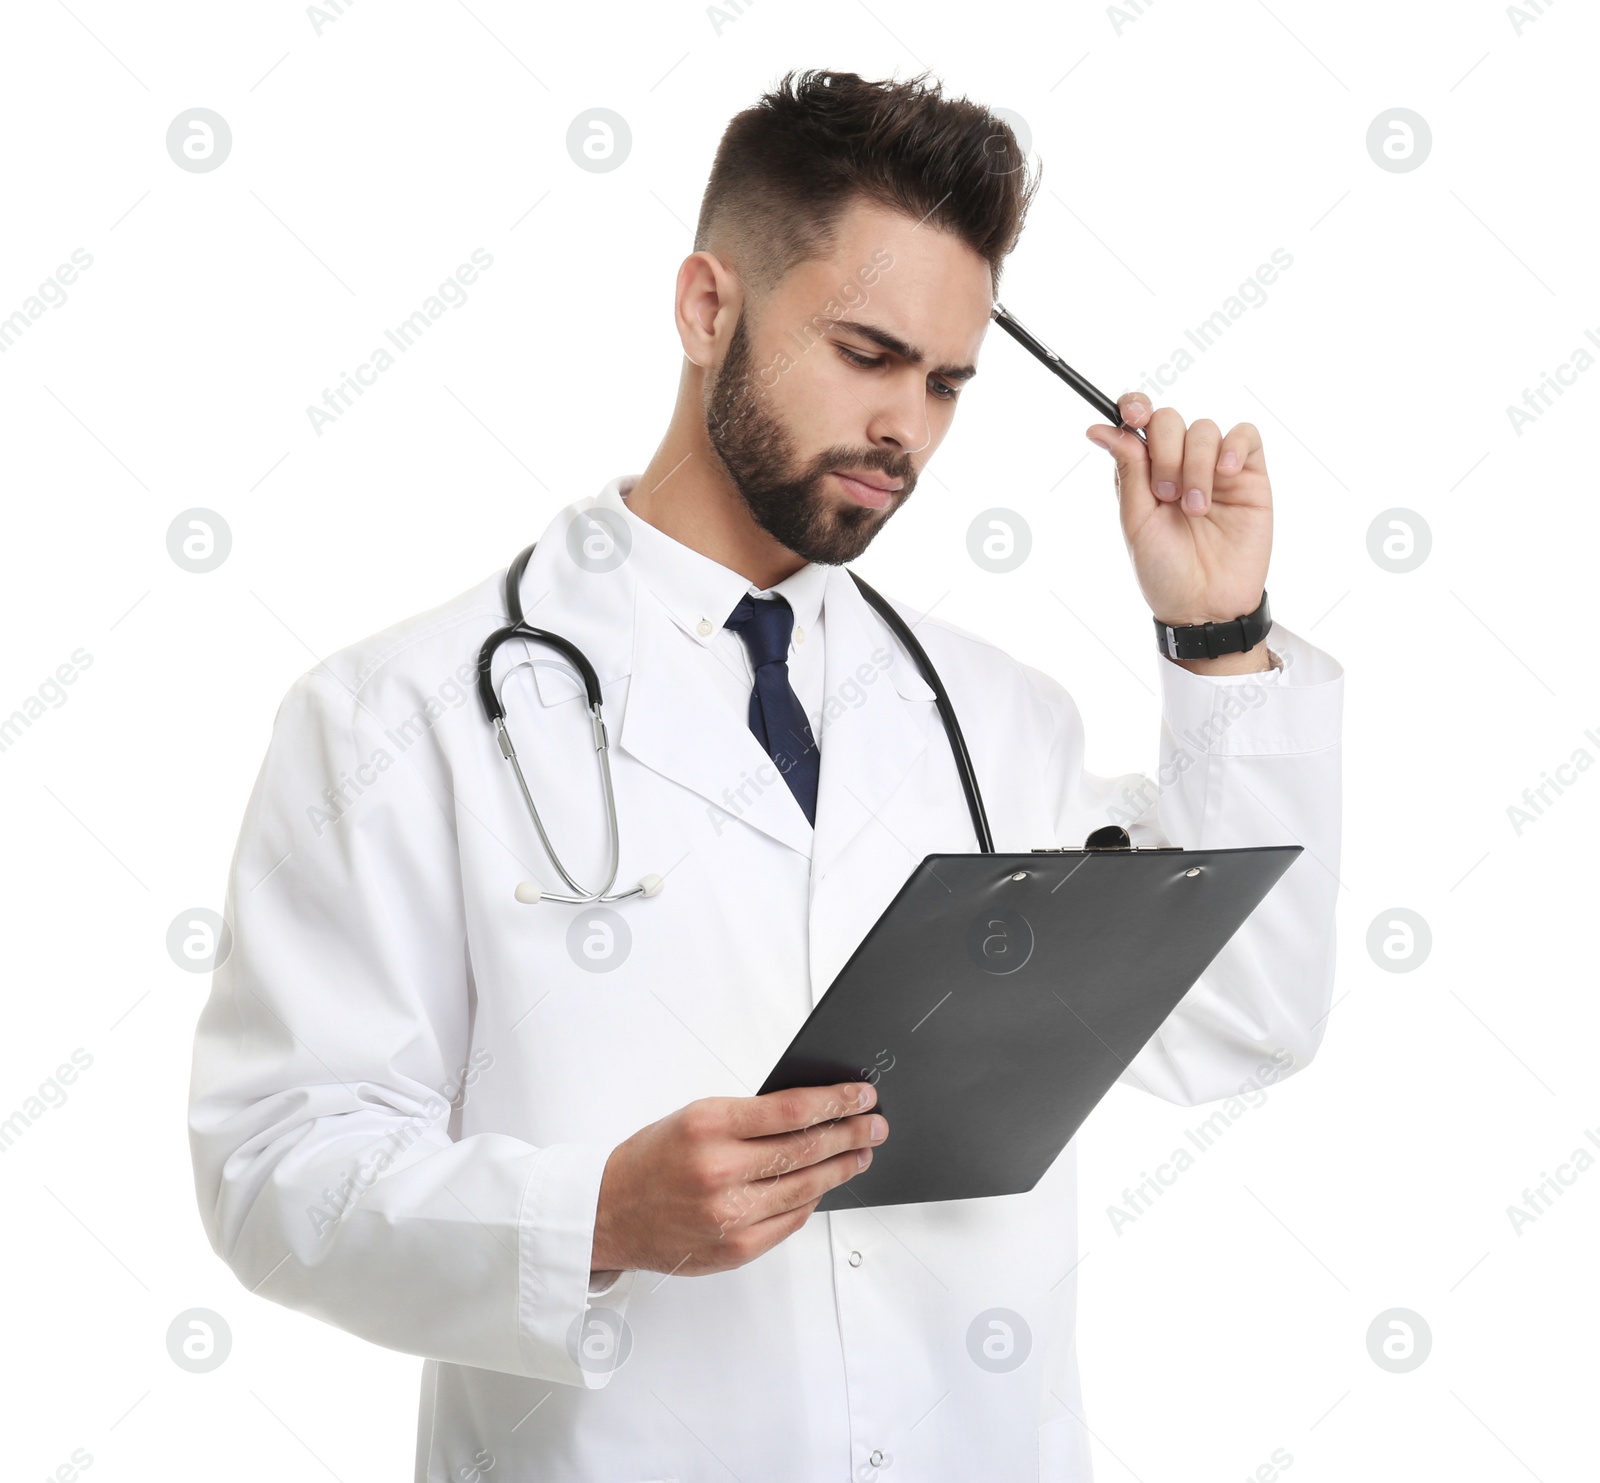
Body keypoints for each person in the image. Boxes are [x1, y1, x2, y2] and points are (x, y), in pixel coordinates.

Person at [188, 68, 1343, 1483]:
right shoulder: (398, 714)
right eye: (865, 354)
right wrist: (593, 1217)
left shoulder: (997, 717)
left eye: (945, 382)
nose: (905, 431)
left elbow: (1248, 1016)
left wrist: (1214, 634)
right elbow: (272, 1168)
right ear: (706, 307)